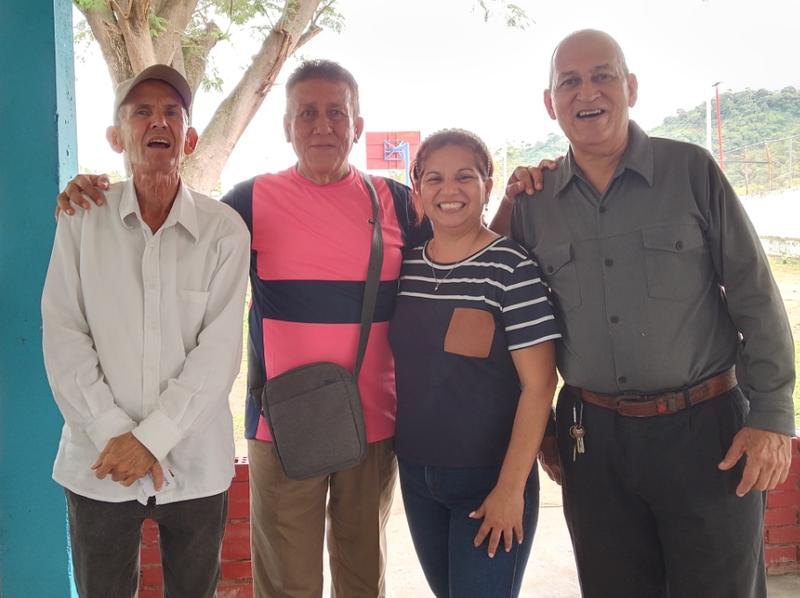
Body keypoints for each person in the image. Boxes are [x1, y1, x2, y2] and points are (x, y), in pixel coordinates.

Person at [56, 59, 431, 598]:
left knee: (363, 578)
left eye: (336, 113)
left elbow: (464, 248)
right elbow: (172, 214)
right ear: (286, 126)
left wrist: (516, 195)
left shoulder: (399, 203)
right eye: (306, 113)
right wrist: (84, 192)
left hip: (372, 425)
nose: (321, 126)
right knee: (285, 583)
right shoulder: (248, 204)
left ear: (358, 126)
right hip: (280, 427)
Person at [491, 29, 796, 598]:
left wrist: (773, 416)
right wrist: (544, 431)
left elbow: (755, 295)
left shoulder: (691, 170)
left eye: (603, 76)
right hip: (593, 441)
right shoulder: (535, 203)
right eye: (569, 82)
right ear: (550, 102)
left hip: (707, 434)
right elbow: (504, 313)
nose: (588, 92)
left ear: (630, 87)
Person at [42, 65, 250, 598]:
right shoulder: (83, 220)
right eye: (141, 112)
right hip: (99, 461)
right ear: (116, 137)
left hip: (195, 464)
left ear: (190, 137)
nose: (158, 121)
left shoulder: (224, 231)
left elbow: (219, 353)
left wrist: (151, 440)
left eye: (172, 112)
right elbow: (64, 334)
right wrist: (115, 434)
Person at [390, 129, 559, 597]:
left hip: (490, 479)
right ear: (417, 189)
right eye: (435, 178)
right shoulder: (407, 268)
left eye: (465, 177)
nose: (450, 190)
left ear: (487, 185)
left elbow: (540, 385)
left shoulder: (512, 268)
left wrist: (510, 489)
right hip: (418, 475)